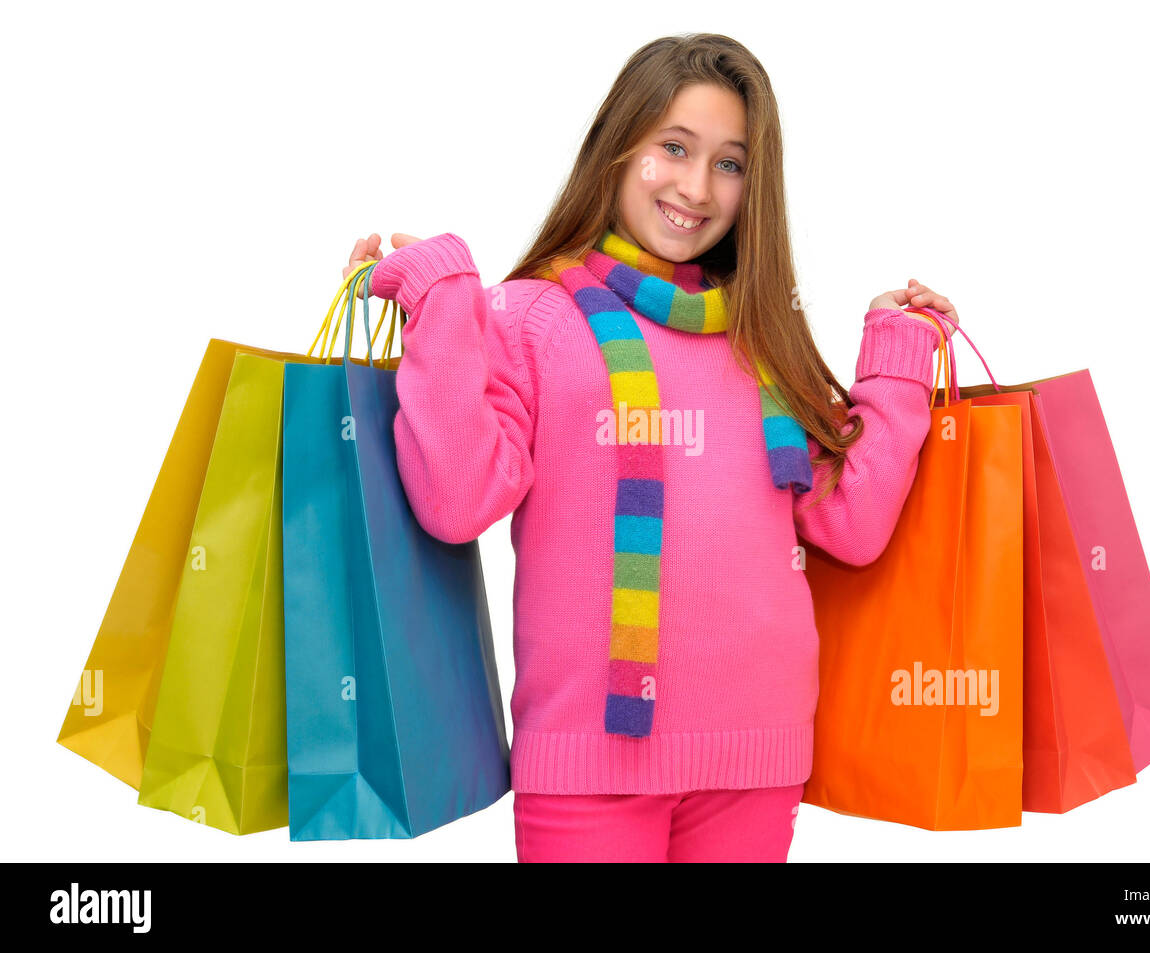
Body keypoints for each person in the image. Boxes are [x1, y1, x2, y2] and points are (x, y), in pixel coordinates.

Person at [346, 33, 958, 862]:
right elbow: (458, 503)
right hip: (586, 764)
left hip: (759, 755)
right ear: (619, 146)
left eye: (730, 163)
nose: (696, 187)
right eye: (674, 148)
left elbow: (851, 523)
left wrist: (897, 353)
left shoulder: (761, 335)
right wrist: (443, 298)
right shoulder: (534, 319)